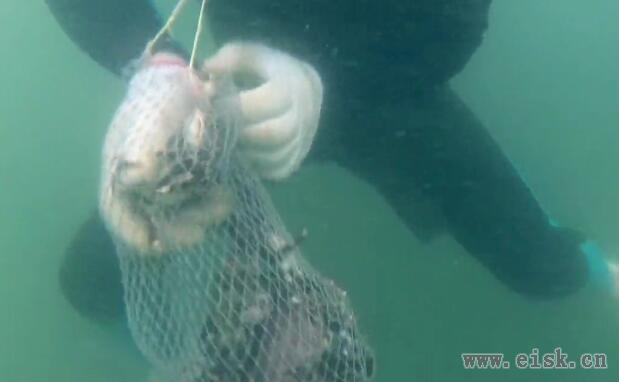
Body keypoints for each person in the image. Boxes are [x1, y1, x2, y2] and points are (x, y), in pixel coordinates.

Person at [47, 0, 616, 323]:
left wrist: (326, 85)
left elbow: (458, 21)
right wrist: (156, 68)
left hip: (383, 90)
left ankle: (593, 265)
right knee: (91, 281)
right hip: (225, 89)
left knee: (542, 270)